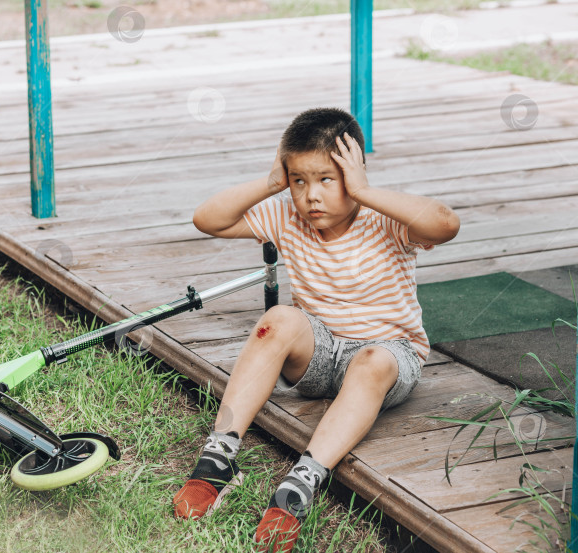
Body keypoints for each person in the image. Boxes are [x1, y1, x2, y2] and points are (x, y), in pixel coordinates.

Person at [172, 107, 460, 552]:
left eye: (327, 179)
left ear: (353, 171)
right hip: (320, 355)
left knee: (373, 359)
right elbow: (207, 219)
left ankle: (302, 481)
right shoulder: (286, 214)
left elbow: (446, 223)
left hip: (387, 357)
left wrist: (364, 190)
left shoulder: (383, 217)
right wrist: (272, 182)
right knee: (278, 319)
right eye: (299, 181)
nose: (311, 196)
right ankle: (219, 455)